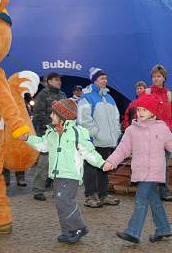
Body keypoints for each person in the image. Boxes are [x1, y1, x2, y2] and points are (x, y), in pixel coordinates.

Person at [103, 94, 172, 244]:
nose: (140, 113)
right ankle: (163, 229)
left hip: (154, 172)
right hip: (140, 172)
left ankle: (133, 232)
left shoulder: (162, 128)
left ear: (153, 112)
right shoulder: (131, 130)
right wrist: (111, 161)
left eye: (144, 110)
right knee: (154, 200)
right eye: (139, 109)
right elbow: (122, 149)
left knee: (140, 199)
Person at [23, 99, 108, 244]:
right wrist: (28, 138)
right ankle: (68, 231)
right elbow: (42, 145)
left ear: (63, 117)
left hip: (70, 175)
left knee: (65, 201)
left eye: (53, 114)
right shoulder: (52, 133)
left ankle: (78, 228)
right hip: (57, 175)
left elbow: (89, 151)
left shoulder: (76, 133)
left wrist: (102, 163)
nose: (50, 116)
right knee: (61, 203)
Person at [77, 67, 121, 208]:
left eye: (105, 78)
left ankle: (103, 194)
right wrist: (95, 133)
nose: (105, 81)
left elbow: (116, 118)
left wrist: (116, 133)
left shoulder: (109, 98)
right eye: (102, 78)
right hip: (94, 140)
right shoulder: (87, 97)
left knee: (104, 167)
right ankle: (90, 195)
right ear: (94, 80)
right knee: (91, 167)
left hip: (107, 140)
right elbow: (84, 119)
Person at [147, 64, 172, 202]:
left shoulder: (170, 96)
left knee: (164, 164)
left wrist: (170, 129)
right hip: (149, 136)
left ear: (164, 78)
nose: (156, 79)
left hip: (165, 137)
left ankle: (164, 191)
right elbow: (140, 113)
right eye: (154, 76)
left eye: (159, 76)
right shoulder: (147, 93)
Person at [32, 72, 66, 201]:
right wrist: (52, 126)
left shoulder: (63, 95)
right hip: (46, 134)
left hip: (61, 134)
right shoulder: (43, 95)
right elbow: (38, 115)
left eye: (60, 80)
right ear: (49, 81)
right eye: (56, 80)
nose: (59, 82)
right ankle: (38, 190)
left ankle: (58, 190)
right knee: (44, 163)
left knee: (60, 163)